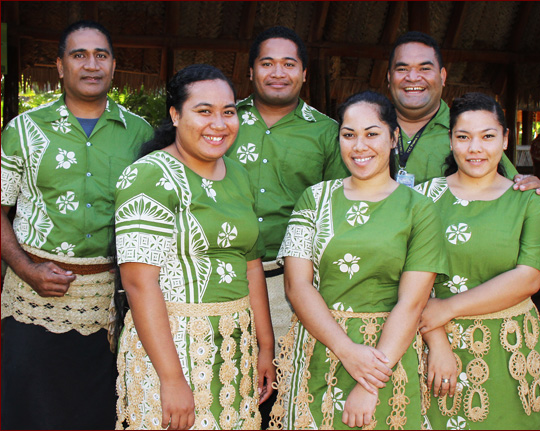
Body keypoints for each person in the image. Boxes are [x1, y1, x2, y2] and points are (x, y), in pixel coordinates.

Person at [0, 20, 152, 430]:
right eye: (78, 54)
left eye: (100, 55)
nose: (91, 64)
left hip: (110, 300)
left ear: (114, 65)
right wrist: (27, 270)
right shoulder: (23, 131)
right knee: (27, 408)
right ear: (60, 66)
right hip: (30, 296)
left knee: (98, 410)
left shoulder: (141, 135)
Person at [269, 91, 448, 430]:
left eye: (372, 133)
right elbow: (297, 285)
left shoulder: (419, 208)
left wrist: (370, 383)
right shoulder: (315, 197)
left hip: (388, 355)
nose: (359, 146)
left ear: (394, 137)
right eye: (349, 135)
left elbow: (412, 303)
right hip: (320, 347)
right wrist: (346, 350)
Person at [113, 64, 276, 430]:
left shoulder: (239, 174)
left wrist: (265, 346)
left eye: (228, 112)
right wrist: (171, 379)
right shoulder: (149, 175)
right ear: (175, 114)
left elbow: (251, 264)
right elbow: (140, 284)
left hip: (235, 346)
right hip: (173, 348)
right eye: (204, 111)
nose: (218, 124)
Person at [416, 92, 540, 430]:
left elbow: (529, 278)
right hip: (435, 345)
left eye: (488, 136)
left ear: (505, 139)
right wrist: (438, 341)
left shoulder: (531, 201)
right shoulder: (421, 199)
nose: (475, 148)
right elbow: (410, 279)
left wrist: (447, 308)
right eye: (463, 137)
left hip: (510, 348)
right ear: (450, 141)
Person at [225, 26, 349, 356]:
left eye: (289, 64)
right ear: (250, 71)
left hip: (291, 284)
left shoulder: (328, 134)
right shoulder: (221, 122)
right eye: (267, 63)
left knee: (283, 382)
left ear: (304, 73)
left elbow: (341, 210)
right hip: (222, 275)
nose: (278, 73)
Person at [387, 31, 540, 200]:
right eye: (402, 69)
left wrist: (529, 187)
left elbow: (514, 186)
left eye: (425, 68)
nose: (413, 78)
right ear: (389, 77)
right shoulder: (368, 129)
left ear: (442, 76)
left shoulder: (468, 128)